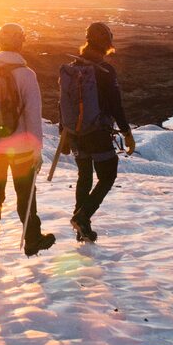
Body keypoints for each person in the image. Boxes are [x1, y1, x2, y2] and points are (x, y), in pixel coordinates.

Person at [0, 23, 55, 270]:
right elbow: (34, 117)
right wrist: (37, 152)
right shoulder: (26, 75)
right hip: (21, 150)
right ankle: (32, 240)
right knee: (26, 196)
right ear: (20, 42)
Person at [64, 22, 134, 242]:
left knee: (84, 177)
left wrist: (64, 132)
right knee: (107, 175)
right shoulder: (105, 71)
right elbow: (116, 105)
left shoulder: (72, 67)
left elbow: (63, 102)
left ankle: (81, 228)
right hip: (98, 133)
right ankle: (83, 218)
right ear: (106, 43)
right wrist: (127, 133)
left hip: (76, 133)